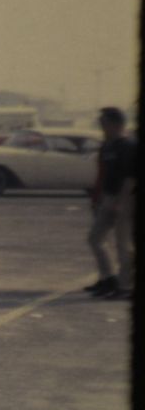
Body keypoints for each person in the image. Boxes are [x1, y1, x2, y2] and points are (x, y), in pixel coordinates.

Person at [85, 106, 136, 300]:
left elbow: (130, 178)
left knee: (124, 244)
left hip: (126, 198)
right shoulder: (108, 145)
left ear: (116, 124)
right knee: (95, 239)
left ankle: (126, 287)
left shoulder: (128, 145)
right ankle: (108, 279)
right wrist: (98, 198)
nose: (101, 127)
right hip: (108, 196)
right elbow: (104, 174)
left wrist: (121, 202)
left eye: (104, 123)